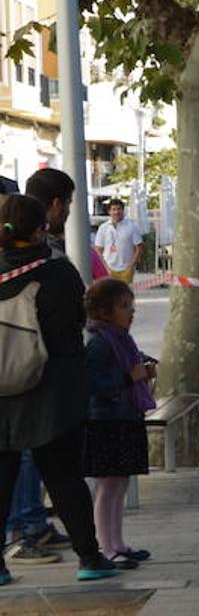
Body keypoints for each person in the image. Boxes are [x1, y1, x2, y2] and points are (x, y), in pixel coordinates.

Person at [0, 194, 119, 584]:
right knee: (64, 475)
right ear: (40, 227)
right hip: (51, 391)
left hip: (2, 392)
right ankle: (89, 557)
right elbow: (73, 329)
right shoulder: (58, 273)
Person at [6, 169, 81, 566]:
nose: (68, 210)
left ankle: (30, 524)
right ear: (53, 206)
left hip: (15, 368)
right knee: (30, 456)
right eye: (66, 203)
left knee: (24, 455)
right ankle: (26, 528)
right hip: (35, 369)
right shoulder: (45, 258)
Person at [83, 277, 156, 569]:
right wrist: (128, 378)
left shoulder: (122, 339)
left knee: (120, 483)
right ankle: (106, 545)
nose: (131, 312)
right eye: (124, 306)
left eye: (131, 305)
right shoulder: (100, 342)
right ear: (104, 312)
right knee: (108, 486)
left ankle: (118, 542)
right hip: (106, 420)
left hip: (125, 416)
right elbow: (89, 382)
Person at [94, 199, 144, 284]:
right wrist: (104, 266)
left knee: (124, 296)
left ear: (122, 210)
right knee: (109, 295)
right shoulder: (103, 228)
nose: (116, 212)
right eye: (114, 209)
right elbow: (98, 249)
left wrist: (132, 265)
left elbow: (140, 247)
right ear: (109, 211)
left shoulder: (132, 226)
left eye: (119, 209)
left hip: (126, 269)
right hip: (108, 268)